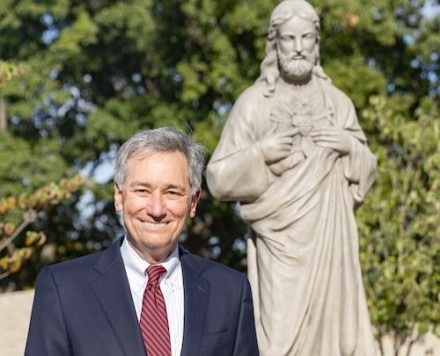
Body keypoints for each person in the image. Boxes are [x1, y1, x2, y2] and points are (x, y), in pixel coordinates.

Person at [206, 1, 377, 355]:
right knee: (277, 338)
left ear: (317, 44)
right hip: (279, 249)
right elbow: (217, 178)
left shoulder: (338, 103)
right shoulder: (253, 103)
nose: (298, 47)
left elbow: (366, 169)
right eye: (289, 38)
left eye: (306, 38)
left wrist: (349, 146)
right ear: (275, 44)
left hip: (332, 247)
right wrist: (261, 154)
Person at [25, 127, 259, 356]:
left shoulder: (230, 291)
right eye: (143, 191)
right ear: (119, 196)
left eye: (172, 193)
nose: (156, 209)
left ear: (193, 202)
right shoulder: (63, 289)